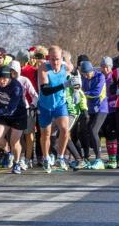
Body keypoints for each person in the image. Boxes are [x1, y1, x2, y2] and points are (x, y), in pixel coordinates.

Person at [37, 45, 72, 173]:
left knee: (64, 130)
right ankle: (46, 158)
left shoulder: (66, 67)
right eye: (52, 59)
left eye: (57, 59)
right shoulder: (43, 69)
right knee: (46, 133)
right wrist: (63, 85)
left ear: (61, 57)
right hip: (45, 105)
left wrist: (75, 88)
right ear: (48, 58)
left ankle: (60, 157)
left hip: (60, 104)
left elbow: (74, 75)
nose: (55, 62)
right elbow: (45, 90)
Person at [0, 65, 27, 174]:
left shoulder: (16, 87)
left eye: (5, 79)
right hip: (3, 112)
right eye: (0, 78)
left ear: (10, 78)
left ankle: (16, 162)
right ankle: (8, 152)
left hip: (17, 114)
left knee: (14, 141)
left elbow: (10, 110)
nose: (2, 81)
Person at [80, 59, 108, 169]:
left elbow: (97, 92)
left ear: (92, 70)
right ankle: (86, 158)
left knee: (93, 130)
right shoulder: (83, 78)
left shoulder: (100, 76)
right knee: (84, 132)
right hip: (90, 109)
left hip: (101, 108)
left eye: (88, 74)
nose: (86, 76)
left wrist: (83, 93)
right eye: (84, 74)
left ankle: (99, 159)